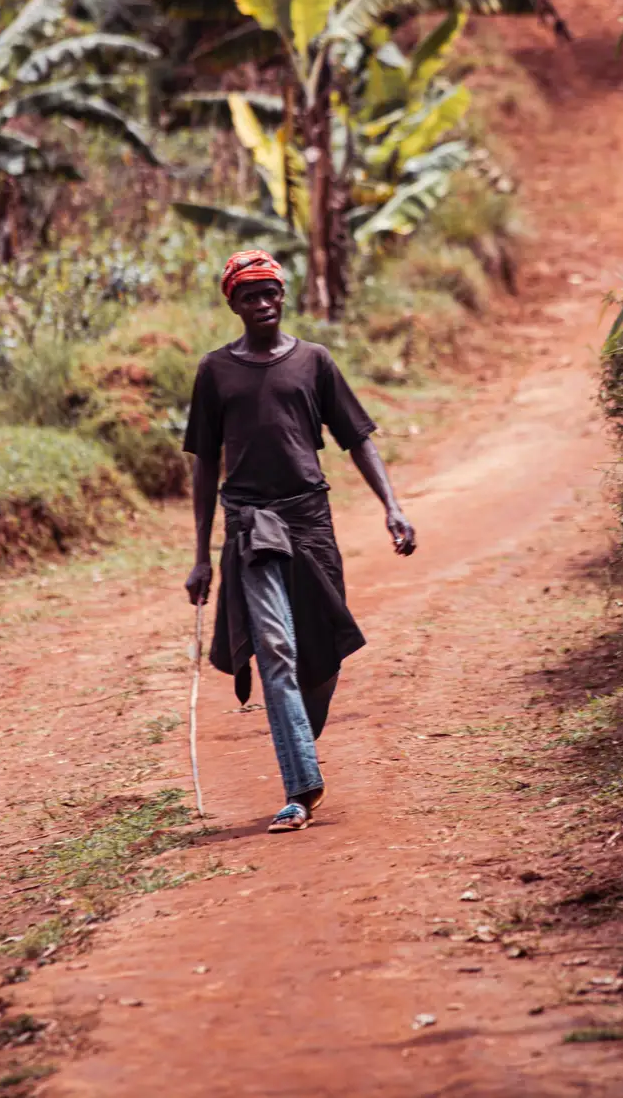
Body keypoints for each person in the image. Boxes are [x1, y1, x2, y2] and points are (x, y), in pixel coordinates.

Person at [183, 248, 416, 833]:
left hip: (310, 517)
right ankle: (301, 788)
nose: (262, 304)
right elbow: (205, 464)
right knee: (277, 653)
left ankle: (297, 742)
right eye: (249, 296)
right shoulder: (216, 371)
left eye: (270, 293)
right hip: (250, 524)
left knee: (324, 650)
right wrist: (199, 557)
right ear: (232, 304)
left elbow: (356, 438)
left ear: (283, 296)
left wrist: (392, 505)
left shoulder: (314, 362)